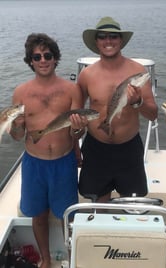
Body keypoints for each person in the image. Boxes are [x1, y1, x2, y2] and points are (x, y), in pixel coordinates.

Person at [10, 33, 88, 268]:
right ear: (30, 60)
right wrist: (17, 125)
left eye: (48, 55)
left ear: (55, 59)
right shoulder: (20, 93)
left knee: (67, 215)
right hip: (34, 164)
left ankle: (72, 255)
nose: (43, 60)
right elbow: (16, 136)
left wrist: (77, 131)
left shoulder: (72, 90)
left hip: (63, 163)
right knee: (38, 215)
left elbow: (77, 134)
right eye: (37, 56)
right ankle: (45, 259)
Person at [77, 16, 158, 202]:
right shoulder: (86, 75)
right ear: (96, 42)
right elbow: (76, 113)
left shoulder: (138, 71)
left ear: (121, 40)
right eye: (102, 36)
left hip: (129, 149)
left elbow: (153, 114)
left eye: (113, 36)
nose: (108, 41)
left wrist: (138, 102)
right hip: (96, 149)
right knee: (99, 202)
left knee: (131, 205)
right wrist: (75, 144)